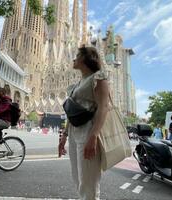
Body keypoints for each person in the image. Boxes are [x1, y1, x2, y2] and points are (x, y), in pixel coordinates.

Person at [58, 46, 110, 200]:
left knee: (89, 182)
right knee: (78, 178)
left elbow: (104, 107)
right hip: (75, 133)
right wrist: (64, 136)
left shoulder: (98, 77)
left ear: (85, 59)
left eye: (77, 56)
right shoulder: (78, 84)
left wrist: (93, 136)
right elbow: (72, 113)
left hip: (88, 132)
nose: (74, 59)